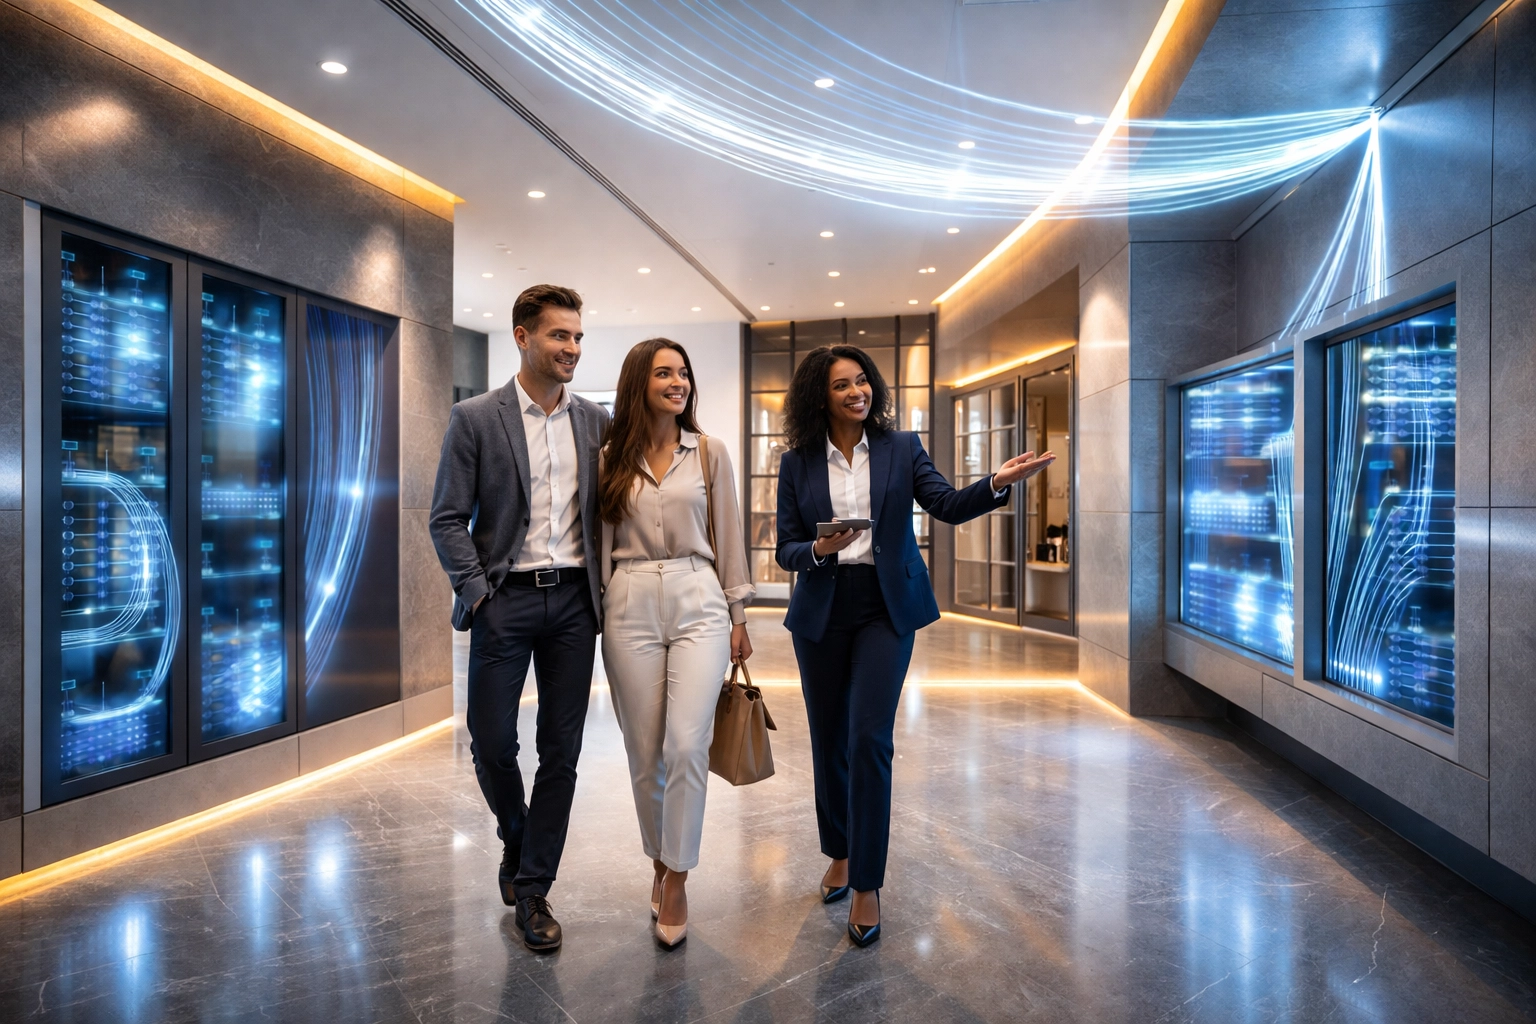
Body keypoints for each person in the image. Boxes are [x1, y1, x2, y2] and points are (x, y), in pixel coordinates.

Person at [775, 344, 1054, 947]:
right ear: (819, 397)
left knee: (868, 738)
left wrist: (996, 484)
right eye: (842, 385)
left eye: (862, 381)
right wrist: (818, 549)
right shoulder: (797, 462)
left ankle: (867, 881)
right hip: (823, 609)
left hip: (885, 607)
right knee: (829, 739)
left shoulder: (901, 448)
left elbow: (945, 505)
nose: (857, 392)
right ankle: (840, 852)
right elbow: (785, 549)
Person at [429, 284, 609, 953]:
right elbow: (446, 517)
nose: (572, 348)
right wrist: (479, 594)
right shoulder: (477, 418)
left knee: (561, 750)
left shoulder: (596, 423)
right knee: (491, 742)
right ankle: (517, 834)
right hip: (504, 598)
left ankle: (533, 888)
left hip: (575, 605)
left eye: (578, 336)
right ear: (523, 337)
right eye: (560, 335)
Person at [597, 338, 754, 949]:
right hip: (629, 597)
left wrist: (738, 615)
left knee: (687, 744)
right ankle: (659, 862)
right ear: (639, 381)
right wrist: (601, 609)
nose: (678, 382)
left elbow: (729, 535)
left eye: (683, 372)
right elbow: (601, 541)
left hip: (699, 594)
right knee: (645, 752)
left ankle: (679, 876)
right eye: (664, 372)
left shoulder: (709, 452)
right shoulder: (610, 457)